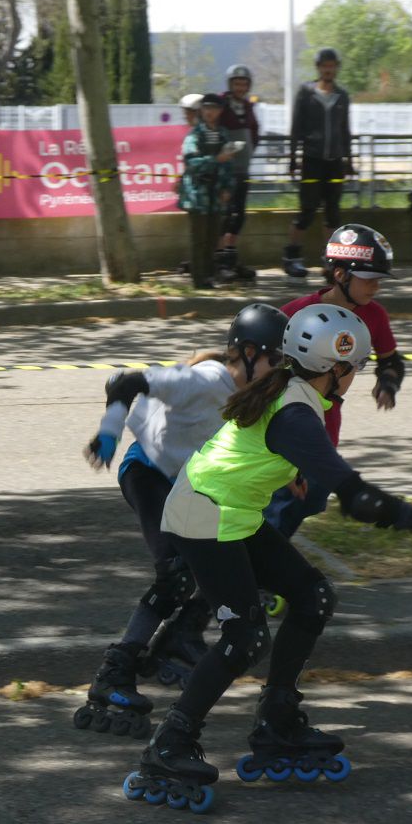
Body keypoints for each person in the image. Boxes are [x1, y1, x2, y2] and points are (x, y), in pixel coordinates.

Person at [121, 305, 412, 813]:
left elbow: (256, 448)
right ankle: (169, 745)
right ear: (335, 366)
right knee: (244, 636)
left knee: (312, 595)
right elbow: (359, 501)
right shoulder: (296, 410)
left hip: (233, 512)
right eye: (355, 366)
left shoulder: (292, 391)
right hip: (202, 516)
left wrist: (286, 472)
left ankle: (277, 718)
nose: (356, 375)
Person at [76, 303, 289, 740]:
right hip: (148, 473)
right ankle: (113, 674)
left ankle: (180, 637)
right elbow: (125, 380)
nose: (281, 372)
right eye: (276, 361)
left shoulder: (255, 393)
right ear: (249, 353)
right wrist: (111, 430)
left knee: (230, 554)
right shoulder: (204, 379)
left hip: (188, 485)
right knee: (173, 573)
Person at [264, 224, 404, 541]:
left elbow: (391, 360)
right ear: (340, 274)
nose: (375, 288)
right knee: (282, 500)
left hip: (329, 417)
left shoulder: (375, 316)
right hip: (291, 416)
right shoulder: (298, 312)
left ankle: (258, 562)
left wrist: (388, 382)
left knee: (311, 496)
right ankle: (258, 571)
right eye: (368, 280)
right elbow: (261, 360)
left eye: (379, 280)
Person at [285, 47, 353, 283]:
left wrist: (349, 160)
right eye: (324, 65)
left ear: (336, 68)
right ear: (318, 68)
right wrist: (293, 158)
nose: (328, 69)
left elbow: (345, 130)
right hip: (311, 160)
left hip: (334, 162)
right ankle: (292, 256)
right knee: (308, 209)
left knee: (332, 211)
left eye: (332, 65)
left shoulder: (342, 96)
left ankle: (331, 260)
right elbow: (296, 126)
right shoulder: (306, 92)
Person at [177, 93, 240, 289]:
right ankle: (199, 279)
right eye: (206, 108)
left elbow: (230, 163)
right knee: (199, 238)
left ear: (220, 111)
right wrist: (215, 160)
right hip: (198, 194)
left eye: (214, 108)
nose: (210, 112)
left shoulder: (223, 134)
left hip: (216, 194)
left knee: (213, 237)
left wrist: (228, 188)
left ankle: (209, 275)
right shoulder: (195, 135)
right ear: (201, 111)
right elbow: (192, 162)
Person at [215, 64, 260, 284]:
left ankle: (231, 257)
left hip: (243, 168)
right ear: (230, 84)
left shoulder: (248, 106)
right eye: (236, 83)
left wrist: (249, 151)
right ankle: (219, 261)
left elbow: (255, 131)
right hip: (226, 171)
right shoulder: (222, 104)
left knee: (239, 215)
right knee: (225, 215)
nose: (240, 87)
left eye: (244, 83)